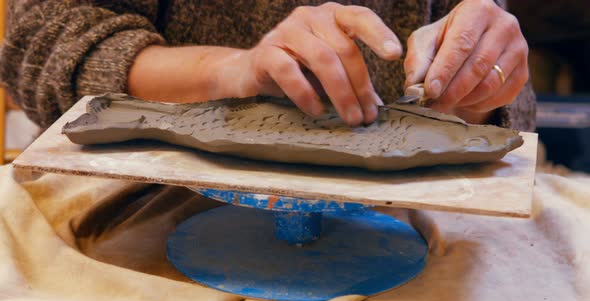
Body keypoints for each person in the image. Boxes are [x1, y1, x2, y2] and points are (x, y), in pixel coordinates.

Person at [0, 0, 535, 132]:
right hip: (152, 207)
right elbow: (41, 43)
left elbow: (510, 105)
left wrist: (485, 81)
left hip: (405, 220)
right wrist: (234, 70)